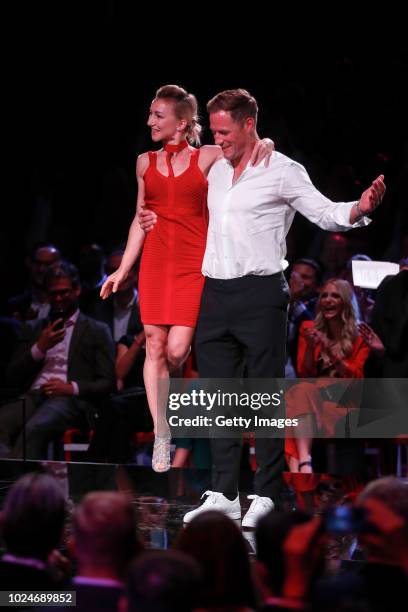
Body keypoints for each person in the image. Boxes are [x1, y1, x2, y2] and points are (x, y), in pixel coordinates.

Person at [141, 89, 385, 525]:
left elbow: (325, 212)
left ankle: (268, 494)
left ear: (249, 124)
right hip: (214, 291)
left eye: (225, 132)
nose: (218, 140)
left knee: (262, 396)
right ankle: (224, 493)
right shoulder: (213, 166)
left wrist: (360, 210)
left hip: (261, 294)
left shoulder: (283, 170)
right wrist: (150, 219)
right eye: (213, 131)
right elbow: (177, 201)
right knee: (220, 398)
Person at [100, 84, 273, 472]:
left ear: (182, 121)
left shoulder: (208, 156)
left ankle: (170, 404)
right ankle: (163, 432)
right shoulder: (144, 162)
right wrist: (124, 268)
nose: (150, 122)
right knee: (155, 347)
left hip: (194, 263)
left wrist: (268, 141)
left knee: (177, 352)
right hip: (157, 262)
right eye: (149, 114)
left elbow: (246, 145)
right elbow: (139, 218)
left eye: (157, 115)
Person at [2, 261, 115, 459]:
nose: (59, 298)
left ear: (77, 290)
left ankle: (21, 486)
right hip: (34, 395)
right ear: (46, 295)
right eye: (53, 293)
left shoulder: (97, 330)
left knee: (34, 428)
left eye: (64, 292)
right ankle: (11, 479)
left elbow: (108, 382)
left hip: (70, 400)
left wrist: (72, 387)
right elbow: (11, 375)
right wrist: (40, 347)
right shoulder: (34, 328)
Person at [285, 278, 371, 473]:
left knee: (291, 414)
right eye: (324, 295)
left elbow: (356, 378)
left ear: (346, 302)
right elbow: (304, 373)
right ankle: (305, 462)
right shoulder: (308, 327)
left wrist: (329, 349)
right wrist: (310, 348)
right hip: (313, 400)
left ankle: (299, 476)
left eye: (335, 296)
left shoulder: (360, 335)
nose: (328, 300)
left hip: (344, 402)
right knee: (301, 391)